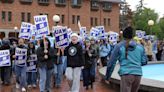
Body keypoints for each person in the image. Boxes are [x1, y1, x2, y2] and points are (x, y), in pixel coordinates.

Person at [105, 27, 147, 92]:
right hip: (138, 74)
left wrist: (107, 77)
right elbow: (144, 62)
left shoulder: (119, 46)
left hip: (126, 74)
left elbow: (111, 63)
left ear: (123, 35)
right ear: (133, 35)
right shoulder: (140, 47)